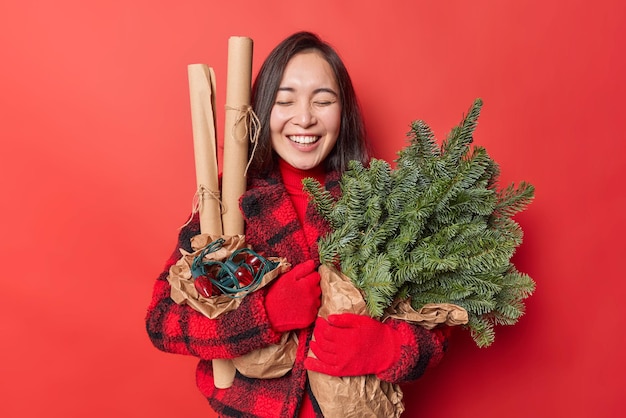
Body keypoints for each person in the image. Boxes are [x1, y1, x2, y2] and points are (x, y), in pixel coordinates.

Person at [145, 31, 450, 417]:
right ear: (259, 111)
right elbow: (162, 322)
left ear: (345, 113)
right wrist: (264, 314)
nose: (304, 118)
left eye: (323, 101)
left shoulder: (382, 199)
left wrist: (387, 347)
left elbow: (439, 327)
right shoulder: (224, 204)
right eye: (284, 101)